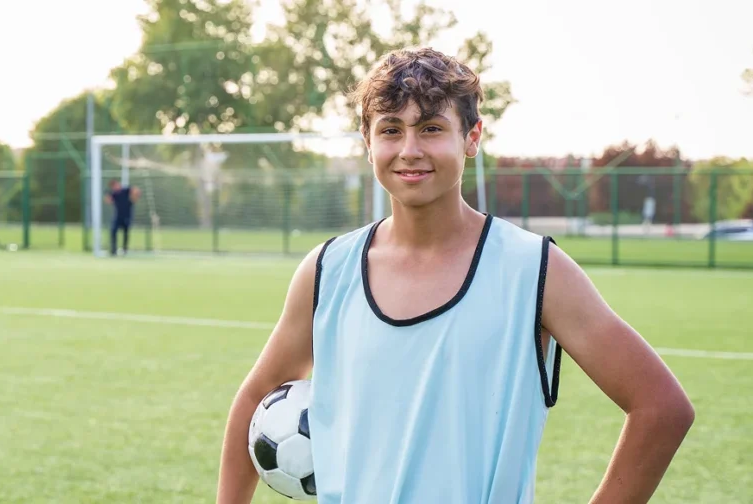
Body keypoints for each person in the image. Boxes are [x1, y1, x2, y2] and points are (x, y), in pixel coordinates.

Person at [216, 47, 694, 503]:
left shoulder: (532, 270)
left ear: (472, 137)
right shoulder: (327, 271)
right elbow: (257, 396)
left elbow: (661, 408)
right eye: (389, 130)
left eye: (430, 128)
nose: (409, 149)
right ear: (367, 142)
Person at [104, 179, 140, 256]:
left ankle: (124, 249)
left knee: (126, 232)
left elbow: (136, 190)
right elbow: (109, 201)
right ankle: (113, 250)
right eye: (113, 186)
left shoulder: (126, 190)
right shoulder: (114, 194)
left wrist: (135, 196)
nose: (115, 187)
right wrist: (107, 195)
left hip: (127, 215)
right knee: (113, 231)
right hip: (118, 216)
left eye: (116, 185)